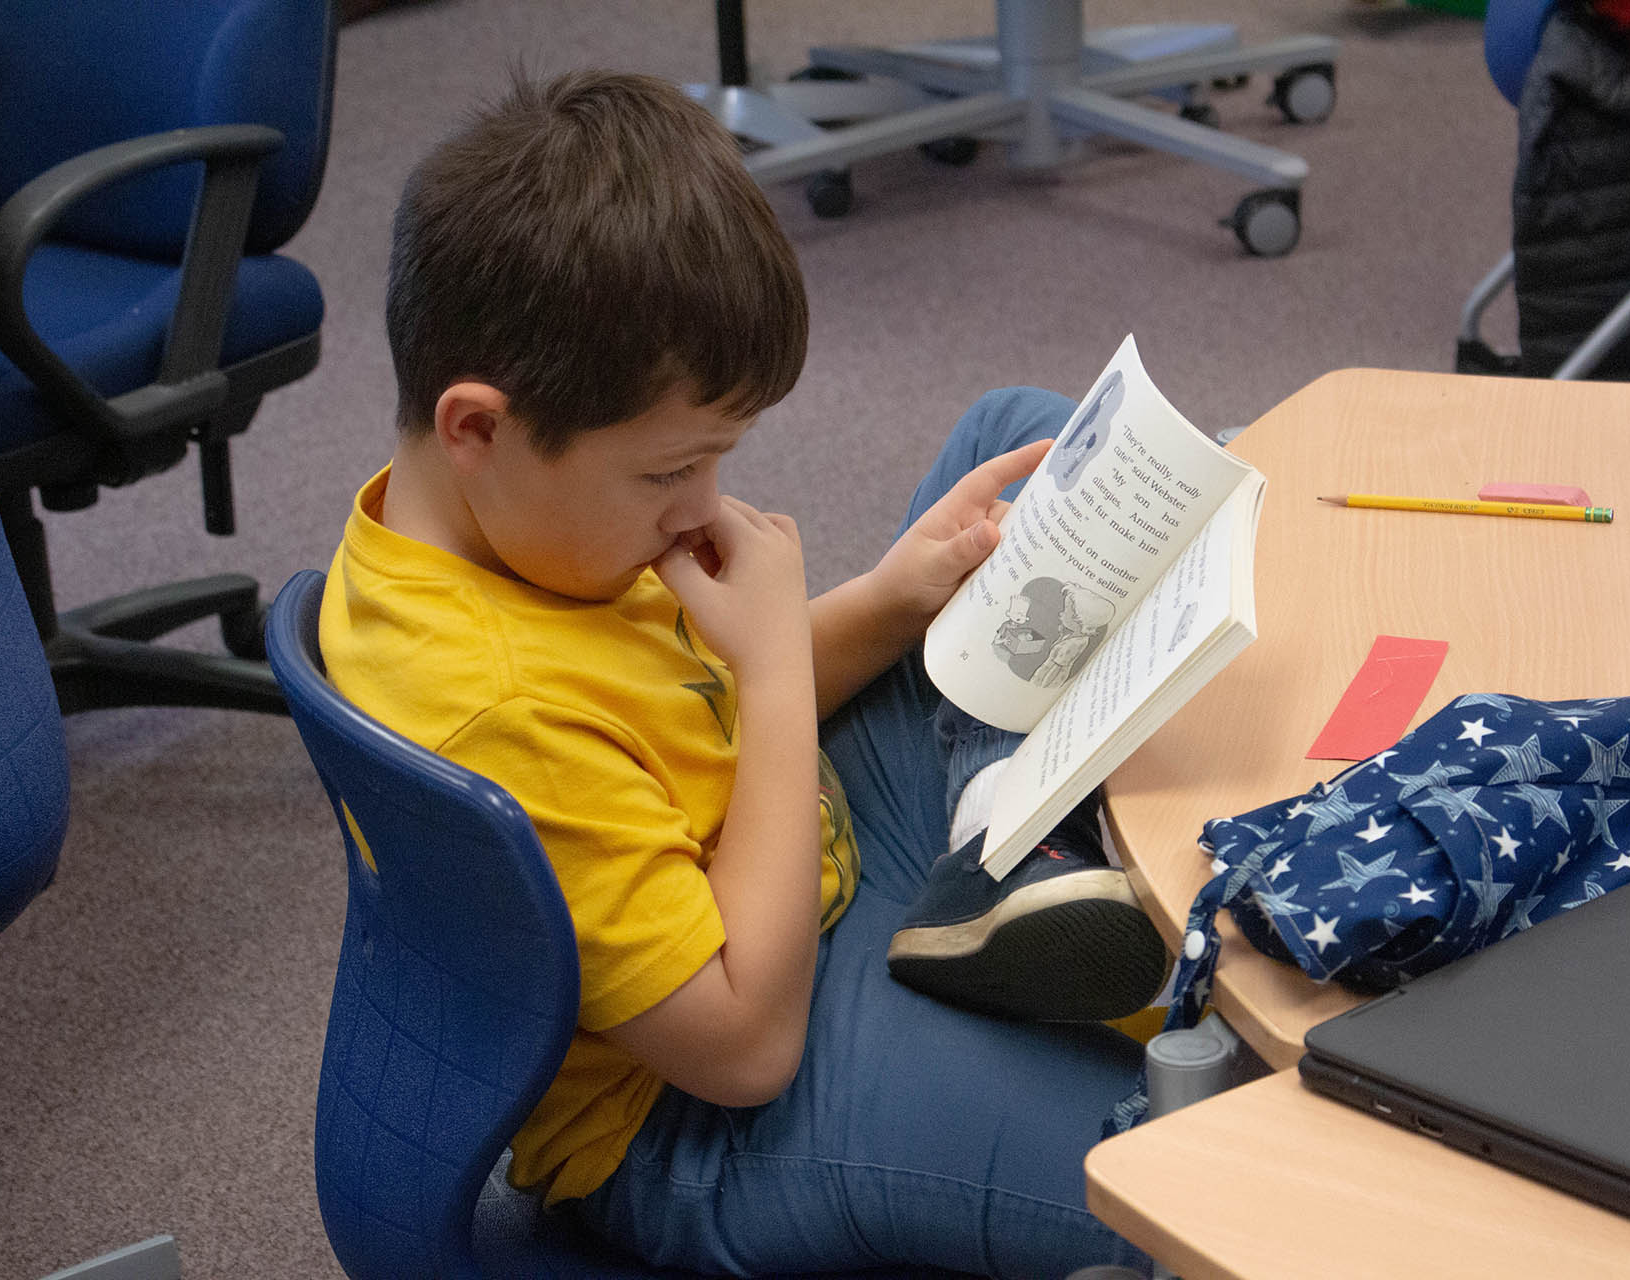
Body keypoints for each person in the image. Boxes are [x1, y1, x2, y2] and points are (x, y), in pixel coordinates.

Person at [319, 69, 1164, 1277]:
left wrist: (883, 599)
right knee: (1173, 1180)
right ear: (478, 428)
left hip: (792, 862)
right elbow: (743, 1045)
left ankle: (997, 851)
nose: (704, 508)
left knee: (1015, 441)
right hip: (711, 1114)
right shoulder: (492, 700)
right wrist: (770, 668)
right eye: (671, 471)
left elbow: (686, 717)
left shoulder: (508, 526)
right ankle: (1018, 857)